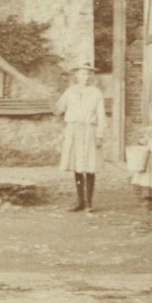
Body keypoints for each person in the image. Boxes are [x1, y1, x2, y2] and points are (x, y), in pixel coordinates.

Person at [53, 59, 106, 212]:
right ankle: (79, 202)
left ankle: (89, 203)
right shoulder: (70, 91)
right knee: (77, 165)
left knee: (90, 166)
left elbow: (101, 116)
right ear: (77, 75)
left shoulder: (96, 92)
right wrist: (49, 98)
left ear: (92, 76)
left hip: (89, 130)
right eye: (83, 73)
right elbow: (58, 109)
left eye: (89, 73)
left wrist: (100, 135)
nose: (86, 76)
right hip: (73, 129)